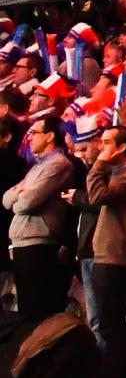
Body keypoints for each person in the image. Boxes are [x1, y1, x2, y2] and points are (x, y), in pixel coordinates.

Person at [77, 122, 126, 378]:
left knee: (111, 322)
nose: (101, 147)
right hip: (107, 253)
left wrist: (98, 164)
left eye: (107, 142)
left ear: (121, 147)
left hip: (116, 256)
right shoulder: (120, 172)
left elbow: (97, 196)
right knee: (108, 321)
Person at [4, 116, 77, 322]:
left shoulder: (58, 164)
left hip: (39, 242)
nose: (30, 137)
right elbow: (5, 199)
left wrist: (19, 195)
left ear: (50, 136)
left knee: (37, 310)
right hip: (23, 241)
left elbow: (24, 203)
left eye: (34, 132)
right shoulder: (37, 166)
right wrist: (19, 194)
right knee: (25, 309)